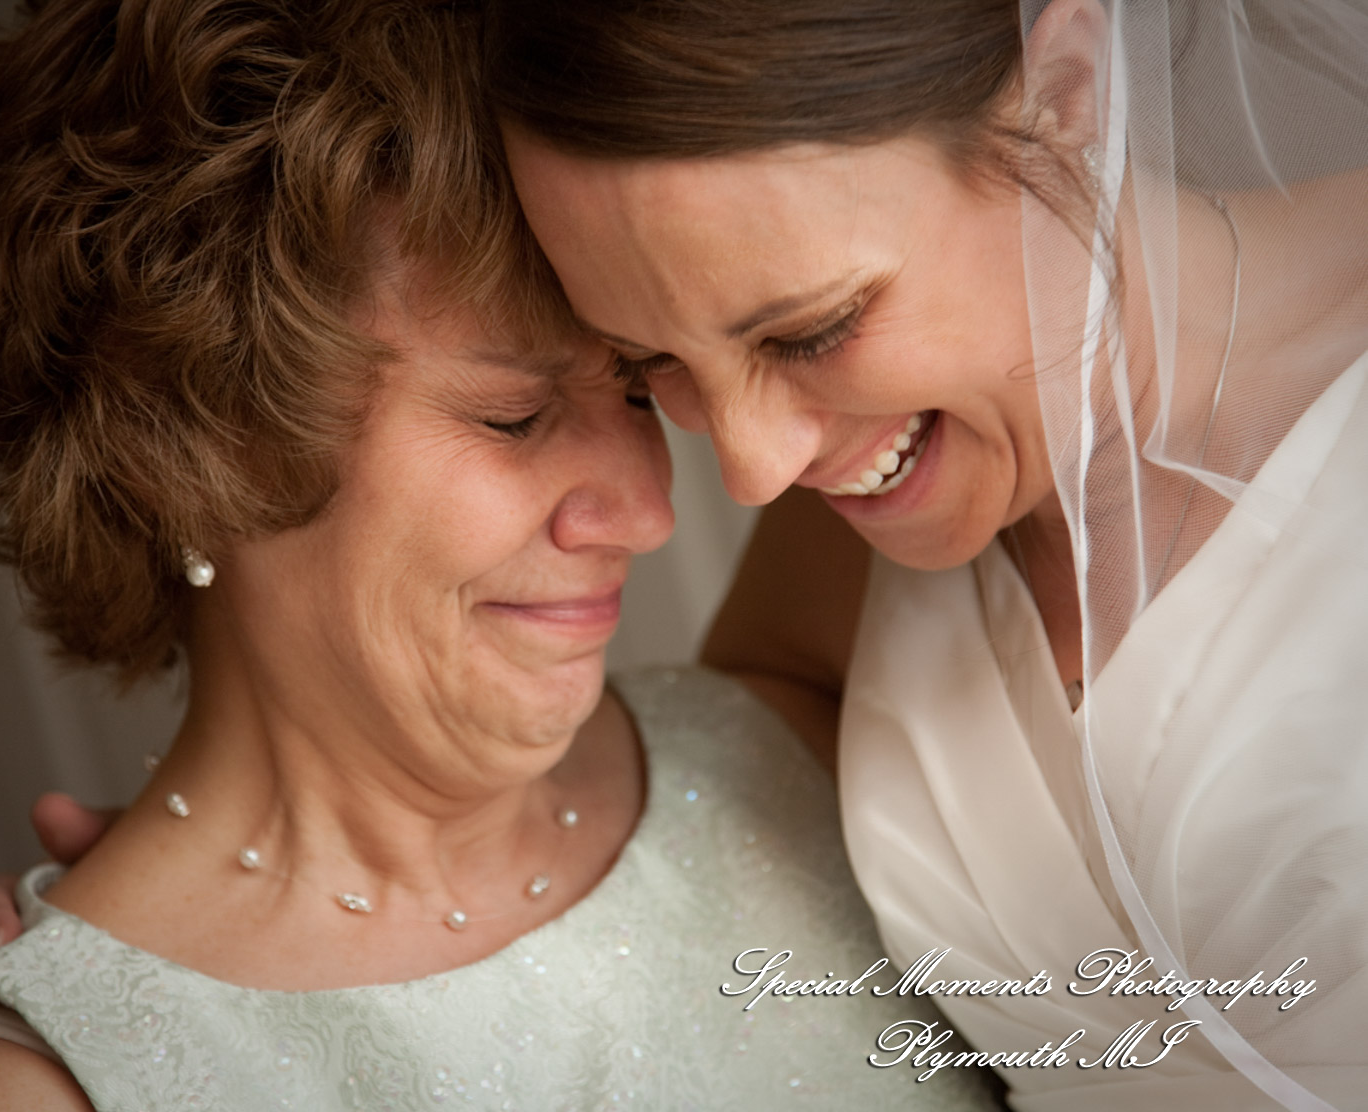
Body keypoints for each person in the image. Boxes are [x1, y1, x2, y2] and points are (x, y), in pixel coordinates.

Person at [0, 1, 1011, 1109]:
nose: (648, 511)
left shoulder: (807, 723)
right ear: (195, 448)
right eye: (515, 417)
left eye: (635, 383)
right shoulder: (36, 1086)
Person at [478, 1, 1368, 1110]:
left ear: (1068, 94)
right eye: (650, 361)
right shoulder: (865, 497)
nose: (753, 468)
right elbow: (750, 755)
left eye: (811, 330)